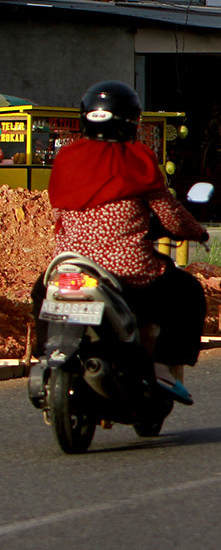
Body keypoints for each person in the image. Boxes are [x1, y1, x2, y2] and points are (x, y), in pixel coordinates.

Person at [32, 80, 209, 404]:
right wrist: (198, 232)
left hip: (71, 268)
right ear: (131, 121)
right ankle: (162, 366)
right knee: (188, 292)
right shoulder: (138, 159)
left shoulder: (67, 158)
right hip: (128, 273)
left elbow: (59, 211)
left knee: (40, 291)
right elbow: (171, 218)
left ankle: (44, 354)